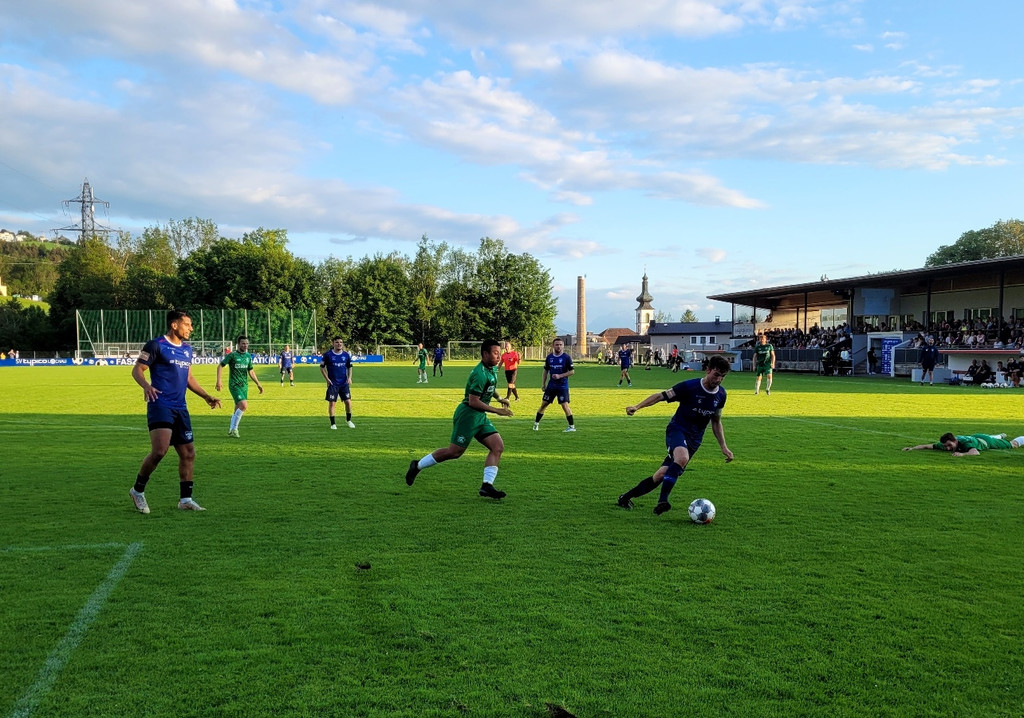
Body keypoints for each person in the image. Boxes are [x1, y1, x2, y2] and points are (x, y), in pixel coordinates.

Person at [616, 354, 734, 515]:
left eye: (723, 376)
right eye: (716, 375)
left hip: (694, 440)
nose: (719, 380)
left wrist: (724, 447)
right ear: (707, 370)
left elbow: (716, 421)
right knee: (682, 458)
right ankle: (662, 501)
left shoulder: (721, 395)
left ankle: (625, 498)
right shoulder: (689, 387)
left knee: (661, 475)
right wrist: (637, 407)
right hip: (677, 430)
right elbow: (660, 396)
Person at [129, 309, 221, 514]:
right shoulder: (156, 345)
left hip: (181, 407)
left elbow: (189, 378)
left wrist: (206, 396)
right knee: (160, 451)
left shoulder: (187, 350)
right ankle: (137, 491)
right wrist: (146, 386)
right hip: (160, 404)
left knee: (188, 453)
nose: (191, 328)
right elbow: (137, 369)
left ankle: (186, 499)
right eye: (187, 324)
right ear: (174, 325)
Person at [404, 339, 513, 499]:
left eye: (500, 352)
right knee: (454, 452)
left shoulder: (491, 369)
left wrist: (499, 398)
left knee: (497, 447)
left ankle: (487, 486)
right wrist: (497, 410)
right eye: (495, 353)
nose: (499, 356)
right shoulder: (479, 373)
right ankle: (417, 465)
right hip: (468, 415)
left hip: (479, 416)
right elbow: (473, 401)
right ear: (485, 354)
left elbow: (490, 386)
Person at [216, 335, 264, 438]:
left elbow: (250, 370)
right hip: (234, 385)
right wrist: (219, 381)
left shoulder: (248, 356)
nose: (245, 345)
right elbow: (220, 365)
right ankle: (235, 429)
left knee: (238, 407)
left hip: (244, 386)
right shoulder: (232, 355)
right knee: (244, 405)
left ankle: (231, 430)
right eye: (243, 343)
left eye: (247, 343)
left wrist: (258, 383)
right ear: (238, 344)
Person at [534, 338, 576, 432]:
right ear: (553, 346)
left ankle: (571, 427)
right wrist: (543, 383)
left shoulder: (566, 357)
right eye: (557, 345)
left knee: (565, 405)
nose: (559, 346)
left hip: (562, 386)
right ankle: (536, 424)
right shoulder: (549, 358)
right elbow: (545, 370)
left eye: (560, 345)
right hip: (551, 386)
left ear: (563, 346)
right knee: (544, 404)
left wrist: (560, 375)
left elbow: (572, 371)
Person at [321, 337, 355, 429]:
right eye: (337, 342)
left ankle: (348, 420)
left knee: (348, 402)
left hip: (344, 383)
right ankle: (333, 424)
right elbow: (322, 367)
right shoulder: (328, 355)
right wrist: (327, 379)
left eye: (341, 342)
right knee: (332, 403)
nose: (339, 344)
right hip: (333, 383)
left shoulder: (346, 355)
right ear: (333, 343)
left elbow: (350, 367)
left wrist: (349, 378)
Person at [903, 432, 1024, 457]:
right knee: (990, 437)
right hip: (976, 436)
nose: (947, 448)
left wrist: (962, 454)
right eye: (946, 446)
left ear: (955, 441)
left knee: (1013, 444)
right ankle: (999, 435)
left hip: (986, 441)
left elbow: (975, 452)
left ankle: (1000, 438)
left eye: (949, 445)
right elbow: (927, 446)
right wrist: (912, 448)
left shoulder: (965, 443)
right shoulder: (945, 445)